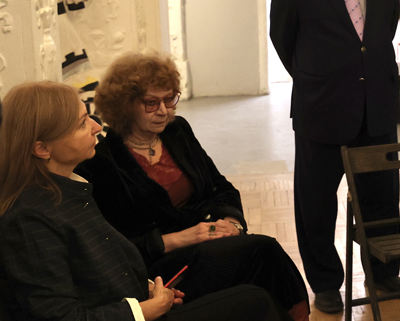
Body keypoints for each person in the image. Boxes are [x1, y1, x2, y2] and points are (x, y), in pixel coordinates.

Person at [0, 81, 285, 321]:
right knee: (254, 303)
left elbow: (99, 266)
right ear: (42, 148)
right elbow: (59, 315)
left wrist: (149, 290)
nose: (96, 127)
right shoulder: (30, 218)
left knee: (257, 259)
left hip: (139, 297)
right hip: (137, 311)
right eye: (81, 123)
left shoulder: (70, 188)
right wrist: (144, 310)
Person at [74, 53, 310, 321]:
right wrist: (183, 237)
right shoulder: (102, 161)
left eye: (169, 99)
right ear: (125, 106)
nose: (163, 111)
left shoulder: (177, 131)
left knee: (260, 272)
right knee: (263, 253)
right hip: (160, 269)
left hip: (207, 242)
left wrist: (231, 222)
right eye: (151, 103)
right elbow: (114, 245)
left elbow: (220, 186)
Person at [270, 0, 400, 314]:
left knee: (382, 198)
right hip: (321, 106)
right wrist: (316, 76)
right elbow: (282, 36)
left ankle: (384, 272)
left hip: (376, 105)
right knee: (316, 203)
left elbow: (383, 31)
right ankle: (326, 282)